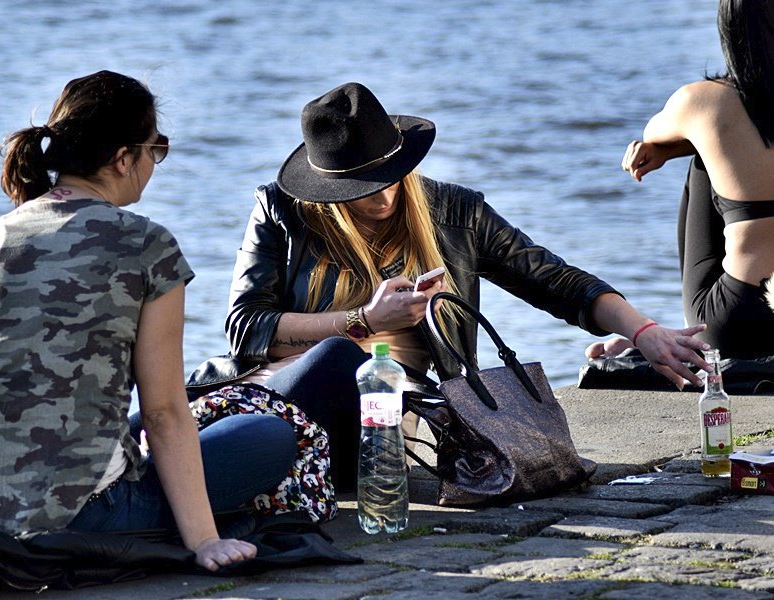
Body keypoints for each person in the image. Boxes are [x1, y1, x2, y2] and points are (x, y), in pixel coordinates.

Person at [190, 81, 712, 490]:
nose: (384, 197)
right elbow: (246, 329)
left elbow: (557, 281)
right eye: (361, 188)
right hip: (277, 388)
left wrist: (643, 331)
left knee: (343, 362)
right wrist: (363, 322)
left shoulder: (455, 211)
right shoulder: (281, 211)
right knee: (186, 406)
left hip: (387, 418)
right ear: (326, 189)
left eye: (392, 174)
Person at [0, 70, 298, 574]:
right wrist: (203, 541)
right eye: (153, 150)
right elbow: (162, 412)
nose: (154, 164)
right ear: (122, 158)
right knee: (269, 436)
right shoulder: (145, 244)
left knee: (171, 419)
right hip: (71, 517)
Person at [616, 0, 774, 359]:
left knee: (705, 153)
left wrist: (674, 149)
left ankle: (686, 332)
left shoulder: (705, 102)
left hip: (737, 320)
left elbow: (653, 133)